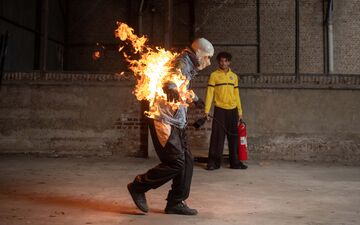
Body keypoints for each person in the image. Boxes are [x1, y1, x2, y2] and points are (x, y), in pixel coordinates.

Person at [127, 38, 214, 215]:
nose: (209, 61)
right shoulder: (181, 61)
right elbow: (171, 77)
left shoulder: (188, 65)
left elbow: (182, 85)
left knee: (187, 162)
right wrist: (170, 86)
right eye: (207, 57)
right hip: (163, 120)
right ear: (198, 53)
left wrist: (196, 100)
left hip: (177, 121)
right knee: (176, 162)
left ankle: (176, 202)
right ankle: (138, 186)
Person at [204, 51, 248, 170]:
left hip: (233, 110)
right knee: (217, 137)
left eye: (226, 61)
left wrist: (240, 112)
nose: (223, 63)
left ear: (229, 62)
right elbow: (210, 93)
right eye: (221, 61)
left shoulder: (234, 76)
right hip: (220, 110)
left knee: (233, 137)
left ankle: (235, 162)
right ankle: (213, 163)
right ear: (219, 62)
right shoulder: (214, 75)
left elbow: (237, 95)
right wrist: (206, 110)